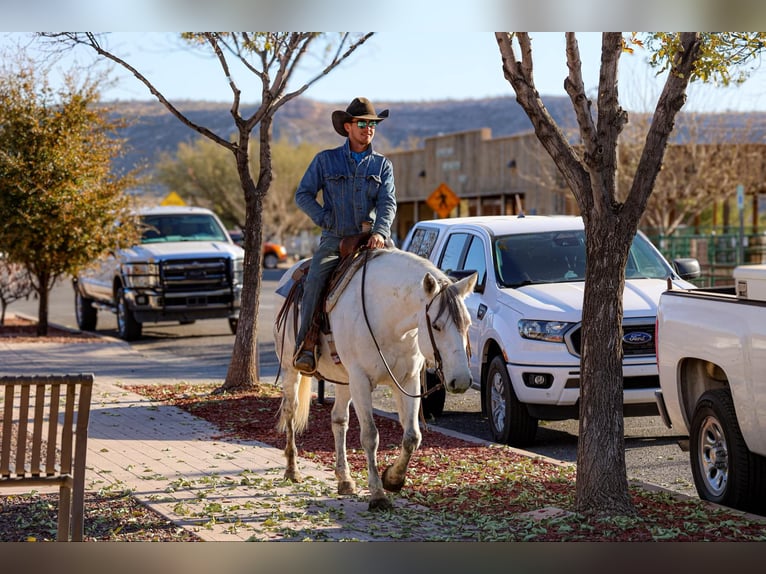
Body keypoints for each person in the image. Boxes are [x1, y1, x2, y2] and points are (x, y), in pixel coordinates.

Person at [292, 97, 397, 374]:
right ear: (348, 126)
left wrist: (381, 232)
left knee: (405, 278)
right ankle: (307, 345)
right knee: (315, 281)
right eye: (362, 124)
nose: (368, 129)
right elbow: (302, 195)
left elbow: (388, 202)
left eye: (372, 124)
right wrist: (326, 219)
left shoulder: (382, 165)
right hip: (334, 241)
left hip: (373, 239)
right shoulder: (325, 161)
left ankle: (410, 354)